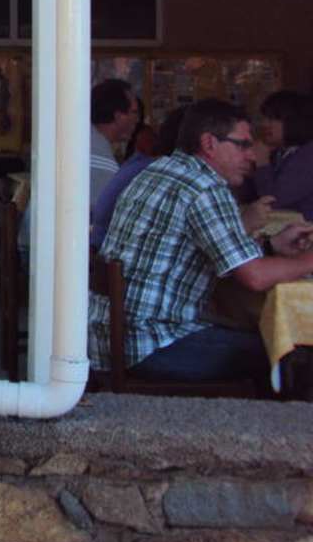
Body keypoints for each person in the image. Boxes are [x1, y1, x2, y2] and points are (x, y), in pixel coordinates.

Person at [90, 98, 313, 385]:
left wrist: (272, 246)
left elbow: (220, 252)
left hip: (111, 337)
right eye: (243, 145)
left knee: (264, 338)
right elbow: (255, 277)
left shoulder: (162, 170)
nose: (252, 156)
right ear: (209, 143)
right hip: (153, 343)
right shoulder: (205, 188)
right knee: (292, 353)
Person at [90, 107, 185, 249]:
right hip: (102, 248)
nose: (135, 120)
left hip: (101, 250)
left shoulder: (138, 166)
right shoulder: (157, 174)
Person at [250, 90, 313, 221]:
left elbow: (272, 201)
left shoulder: (308, 155)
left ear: (294, 121)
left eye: (272, 119)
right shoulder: (281, 152)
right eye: (264, 118)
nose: (264, 124)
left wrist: (262, 161)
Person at [90, 78, 138, 208]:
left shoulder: (82, 141)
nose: (137, 120)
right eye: (134, 112)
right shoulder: (103, 165)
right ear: (118, 116)